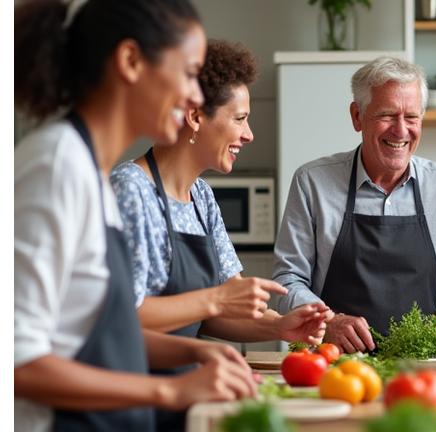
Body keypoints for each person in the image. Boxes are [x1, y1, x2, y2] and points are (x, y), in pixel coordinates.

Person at [14, 1, 256, 431]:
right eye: (188, 73)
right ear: (130, 61)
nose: (196, 97)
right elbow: (16, 362)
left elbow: (99, 336)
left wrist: (193, 352)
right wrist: (171, 391)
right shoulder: (56, 166)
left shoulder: (92, 172)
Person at [109, 39, 328, 431]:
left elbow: (223, 310)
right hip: (132, 398)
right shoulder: (130, 190)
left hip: (190, 393)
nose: (249, 134)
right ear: (195, 116)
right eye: (240, 118)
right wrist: (216, 299)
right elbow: (123, 315)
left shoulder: (202, 198)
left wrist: (279, 326)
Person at [272, 56, 436, 354]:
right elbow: (287, 279)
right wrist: (329, 321)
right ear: (357, 116)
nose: (401, 131)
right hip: (334, 364)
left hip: (424, 364)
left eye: (411, 117)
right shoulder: (312, 182)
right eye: (387, 115)